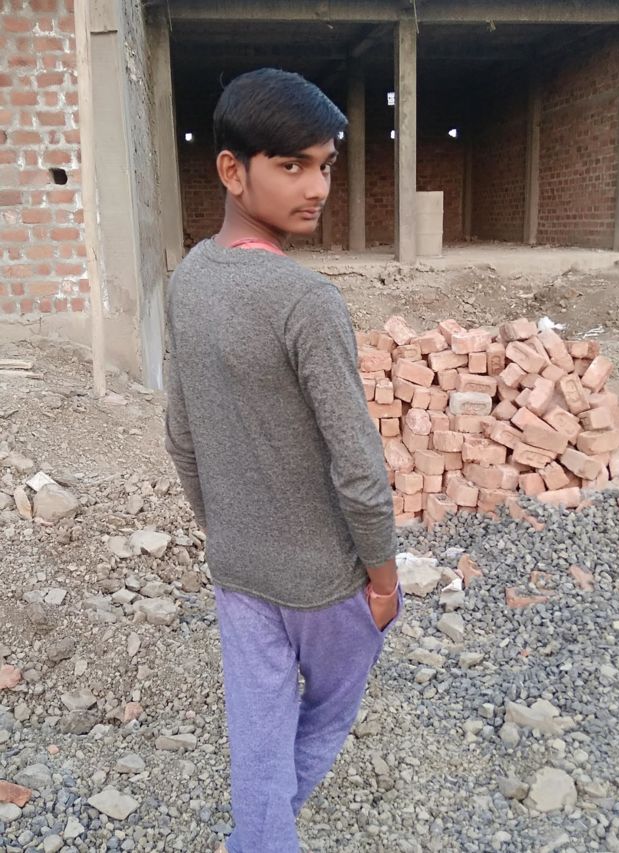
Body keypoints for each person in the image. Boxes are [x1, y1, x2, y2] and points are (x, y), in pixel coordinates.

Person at [165, 67, 401, 853]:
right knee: (328, 708)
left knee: (258, 735)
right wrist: (383, 581)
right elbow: (358, 464)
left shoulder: (186, 283)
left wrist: (228, 531)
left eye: (325, 165)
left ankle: (261, 835)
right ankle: (265, 832)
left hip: (239, 571)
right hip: (325, 581)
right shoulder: (306, 302)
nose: (318, 187)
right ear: (232, 170)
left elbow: (182, 437)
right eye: (293, 164)